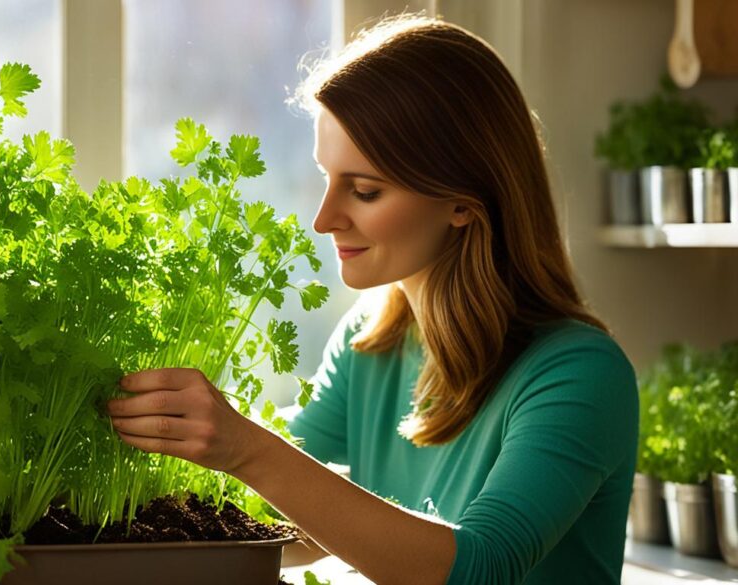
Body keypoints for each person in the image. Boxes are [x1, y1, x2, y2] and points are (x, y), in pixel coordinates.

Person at [105, 13, 638, 585]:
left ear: (462, 202)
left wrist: (245, 449)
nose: (323, 219)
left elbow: (482, 568)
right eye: (326, 179)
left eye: (364, 190)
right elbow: (300, 526)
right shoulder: (371, 341)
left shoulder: (580, 375)